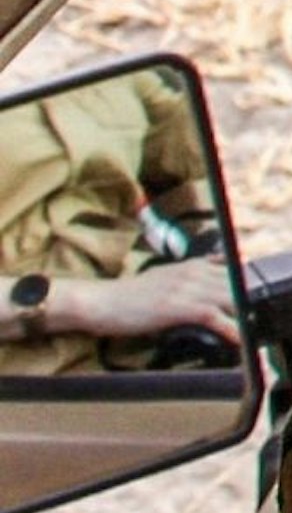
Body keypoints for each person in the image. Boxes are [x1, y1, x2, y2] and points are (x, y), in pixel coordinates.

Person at [0, 61, 240, 374]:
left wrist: (206, 245)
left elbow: (188, 167)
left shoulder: (119, 73)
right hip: (34, 387)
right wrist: (92, 303)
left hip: (156, 337)